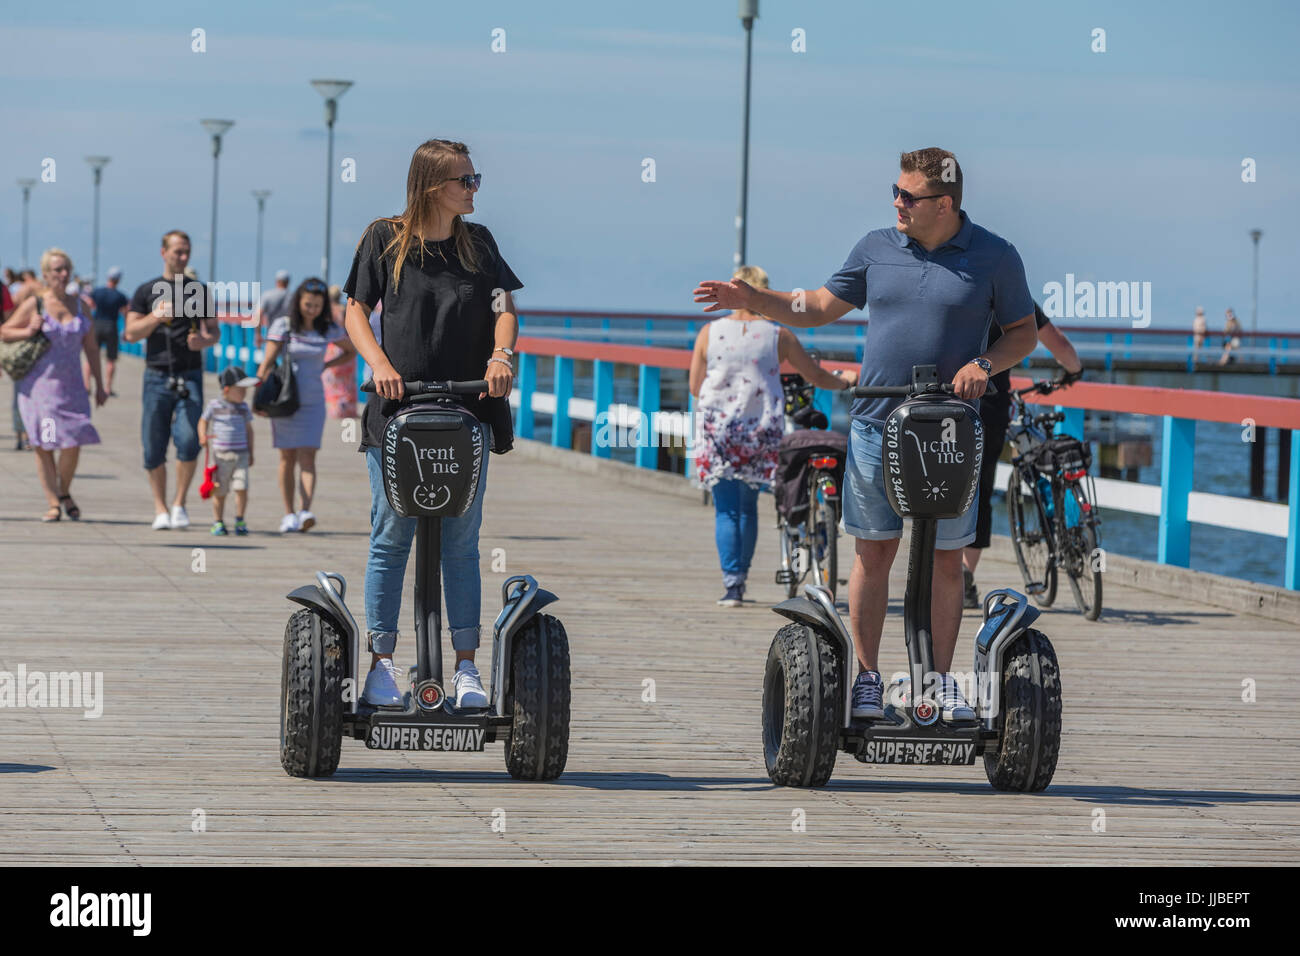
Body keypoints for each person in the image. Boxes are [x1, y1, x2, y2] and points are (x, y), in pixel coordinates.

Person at [695, 147, 1038, 722]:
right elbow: (819, 306)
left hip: (951, 431)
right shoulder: (876, 247)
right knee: (873, 552)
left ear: (944, 204)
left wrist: (984, 365)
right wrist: (753, 300)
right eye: (895, 192)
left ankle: (937, 681)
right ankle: (869, 678)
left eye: (909, 196)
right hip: (879, 423)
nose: (897, 203)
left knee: (949, 560)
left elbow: (1023, 333)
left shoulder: (996, 257)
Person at [343, 137, 521, 710]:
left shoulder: (480, 244)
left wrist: (501, 358)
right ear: (430, 186)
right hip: (397, 409)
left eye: (474, 179)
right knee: (392, 536)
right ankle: (382, 666)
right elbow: (355, 310)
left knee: (462, 542)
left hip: (466, 410)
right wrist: (379, 365)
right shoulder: (384, 239)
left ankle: (467, 670)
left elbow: (504, 310)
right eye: (463, 180)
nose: (473, 189)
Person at [689, 264, 855, 606]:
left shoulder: (709, 333)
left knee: (726, 510)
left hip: (718, 429)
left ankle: (733, 586)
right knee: (747, 508)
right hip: (759, 431)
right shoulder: (778, 335)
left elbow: (694, 385)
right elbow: (814, 375)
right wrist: (843, 381)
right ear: (763, 293)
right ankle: (741, 579)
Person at [961, 302, 1082, 607]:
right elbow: (1060, 345)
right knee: (980, 490)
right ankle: (964, 577)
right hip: (990, 406)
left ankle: (937, 569)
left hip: (945, 399)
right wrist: (1074, 371)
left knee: (940, 488)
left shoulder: (956, 287)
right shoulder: (1012, 295)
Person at [122, 230, 220, 530]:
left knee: (190, 440)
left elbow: (214, 332)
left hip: (189, 375)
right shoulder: (145, 291)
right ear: (163, 252)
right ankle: (160, 508)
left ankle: (179, 503)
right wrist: (155, 317)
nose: (183, 257)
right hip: (156, 375)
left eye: (187, 251)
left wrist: (202, 342)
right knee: (153, 446)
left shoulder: (199, 291)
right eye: (178, 251)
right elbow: (130, 333)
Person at [0, 248, 107, 521]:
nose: (63, 274)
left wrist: (100, 383)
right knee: (46, 443)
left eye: (66, 269)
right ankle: (53, 502)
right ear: (46, 275)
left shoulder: (81, 306)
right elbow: (4, 331)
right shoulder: (35, 304)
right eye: (57, 270)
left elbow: (92, 348)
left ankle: (63, 490)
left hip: (73, 387)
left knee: (74, 439)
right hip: (40, 388)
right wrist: (27, 330)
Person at [254, 277, 358, 533]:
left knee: (309, 456)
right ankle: (288, 513)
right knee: (287, 456)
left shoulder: (327, 329)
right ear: (298, 301)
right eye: (308, 304)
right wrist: (257, 394)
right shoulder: (284, 326)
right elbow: (267, 361)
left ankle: (305, 511)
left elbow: (351, 349)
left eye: (317, 305)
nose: (312, 309)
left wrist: (326, 365)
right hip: (286, 399)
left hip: (314, 401)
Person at [199, 365, 258, 535]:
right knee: (219, 490)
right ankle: (218, 521)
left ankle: (240, 519)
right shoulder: (214, 405)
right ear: (227, 389)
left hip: (241, 455)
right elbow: (203, 421)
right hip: (220, 455)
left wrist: (251, 452)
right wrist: (202, 436)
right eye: (240, 390)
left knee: (242, 487)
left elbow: (249, 430)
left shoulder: (244, 408)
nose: (244, 394)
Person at [88, 266, 128, 395]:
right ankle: (108, 388)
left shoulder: (97, 292)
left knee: (91, 355)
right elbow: (125, 312)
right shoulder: (120, 296)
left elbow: (90, 305)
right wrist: (126, 329)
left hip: (97, 324)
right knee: (111, 359)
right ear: (118, 280)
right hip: (111, 326)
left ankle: (87, 385)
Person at [322, 284, 359, 419]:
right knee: (347, 383)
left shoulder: (326, 312)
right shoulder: (344, 309)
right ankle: (348, 410)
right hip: (347, 344)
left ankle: (335, 410)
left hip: (332, 347)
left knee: (333, 383)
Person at [254, 269, 292, 344]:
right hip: (289, 338)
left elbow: (258, 316)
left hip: (272, 336)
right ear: (288, 282)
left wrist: (258, 334)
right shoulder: (293, 297)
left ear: (276, 281)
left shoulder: (267, 295)